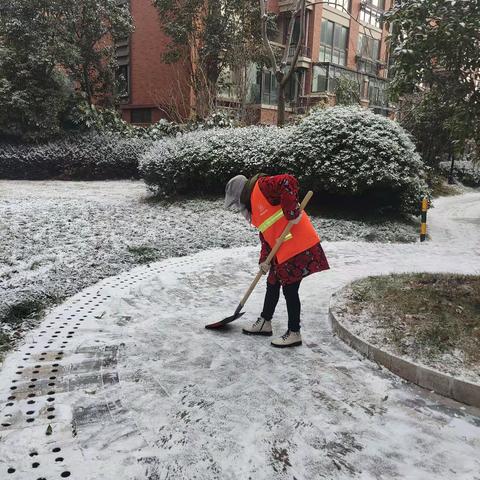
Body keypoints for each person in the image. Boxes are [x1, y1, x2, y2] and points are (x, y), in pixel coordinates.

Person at [224, 173, 329, 348]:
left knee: (290, 289)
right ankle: (265, 322)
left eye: (237, 201)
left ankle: (294, 332)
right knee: (272, 282)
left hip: (298, 245)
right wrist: (264, 260)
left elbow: (288, 180)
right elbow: (266, 233)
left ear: (241, 193)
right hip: (281, 249)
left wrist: (291, 211)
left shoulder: (262, 186)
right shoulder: (255, 206)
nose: (239, 206)